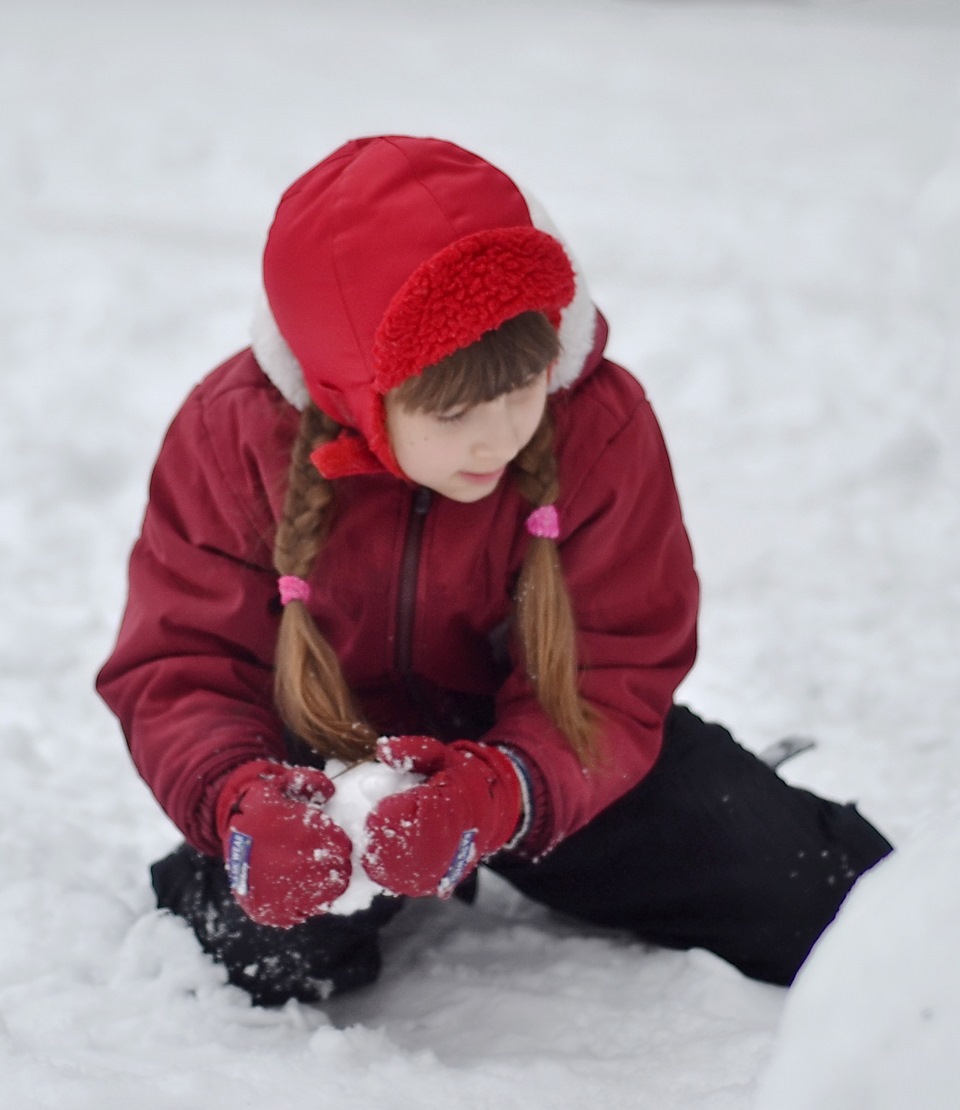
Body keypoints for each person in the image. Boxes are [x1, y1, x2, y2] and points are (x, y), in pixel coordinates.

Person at [97, 135, 891, 1007]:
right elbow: (184, 665)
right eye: (455, 412)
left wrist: (501, 791)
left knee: (812, 896)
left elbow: (614, 667)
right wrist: (238, 801)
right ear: (352, 394)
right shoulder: (234, 434)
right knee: (255, 953)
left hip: (542, 745)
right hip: (319, 767)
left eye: (522, 389)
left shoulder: (599, 423)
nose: (500, 436)